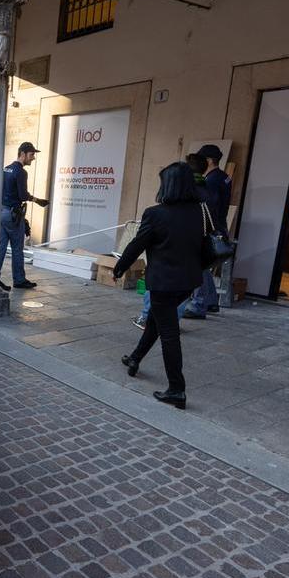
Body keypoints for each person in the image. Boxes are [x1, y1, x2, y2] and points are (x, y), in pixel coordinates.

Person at [113, 162, 207, 410]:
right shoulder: (197, 211)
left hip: (164, 283)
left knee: (169, 333)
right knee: (157, 321)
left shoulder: (155, 214)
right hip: (187, 282)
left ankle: (177, 389)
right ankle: (135, 358)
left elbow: (137, 244)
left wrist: (121, 266)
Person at [183, 144, 232, 319]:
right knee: (203, 266)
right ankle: (210, 301)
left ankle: (198, 305)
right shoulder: (224, 177)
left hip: (207, 228)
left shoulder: (210, 181)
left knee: (197, 267)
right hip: (218, 226)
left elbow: (207, 207)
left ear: (210, 160)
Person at [0, 142, 49, 291]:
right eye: (31, 155)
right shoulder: (21, 172)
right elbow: (23, 195)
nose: (33, 158)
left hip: (3, 212)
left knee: (1, 247)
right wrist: (38, 201)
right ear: (23, 153)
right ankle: (19, 279)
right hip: (13, 214)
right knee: (17, 248)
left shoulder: (6, 169)